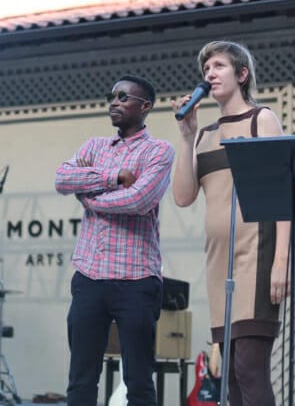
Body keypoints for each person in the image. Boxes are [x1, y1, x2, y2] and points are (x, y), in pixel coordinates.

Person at [172, 40, 290, 406]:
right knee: (233, 377)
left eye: (219, 66)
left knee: (250, 368)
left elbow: (283, 192)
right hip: (218, 263)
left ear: (242, 74)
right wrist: (187, 137)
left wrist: (281, 261)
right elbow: (183, 196)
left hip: (257, 256)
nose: (210, 73)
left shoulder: (261, 119)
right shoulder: (204, 134)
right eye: (206, 69)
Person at [55, 74, 175, 406]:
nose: (114, 102)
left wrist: (89, 198)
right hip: (89, 276)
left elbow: (138, 200)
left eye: (123, 97)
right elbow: (62, 179)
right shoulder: (94, 146)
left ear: (144, 106)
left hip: (136, 280)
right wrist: (114, 176)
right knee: (80, 380)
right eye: (112, 97)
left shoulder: (159, 151)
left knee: (139, 381)